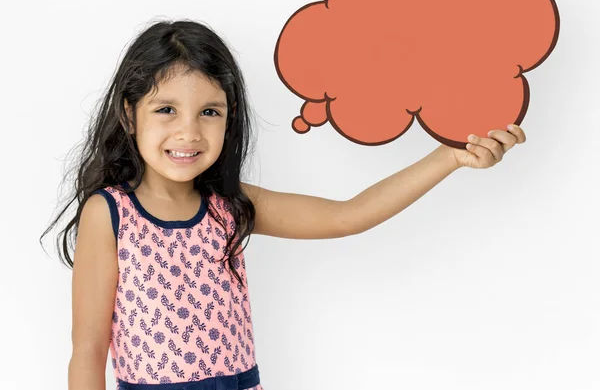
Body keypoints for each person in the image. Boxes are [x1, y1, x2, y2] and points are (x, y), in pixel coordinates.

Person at [41, 19, 526, 390]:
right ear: (130, 113)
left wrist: (448, 157)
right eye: (166, 109)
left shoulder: (229, 205)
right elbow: (88, 349)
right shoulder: (109, 214)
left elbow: (347, 215)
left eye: (210, 112)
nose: (188, 131)